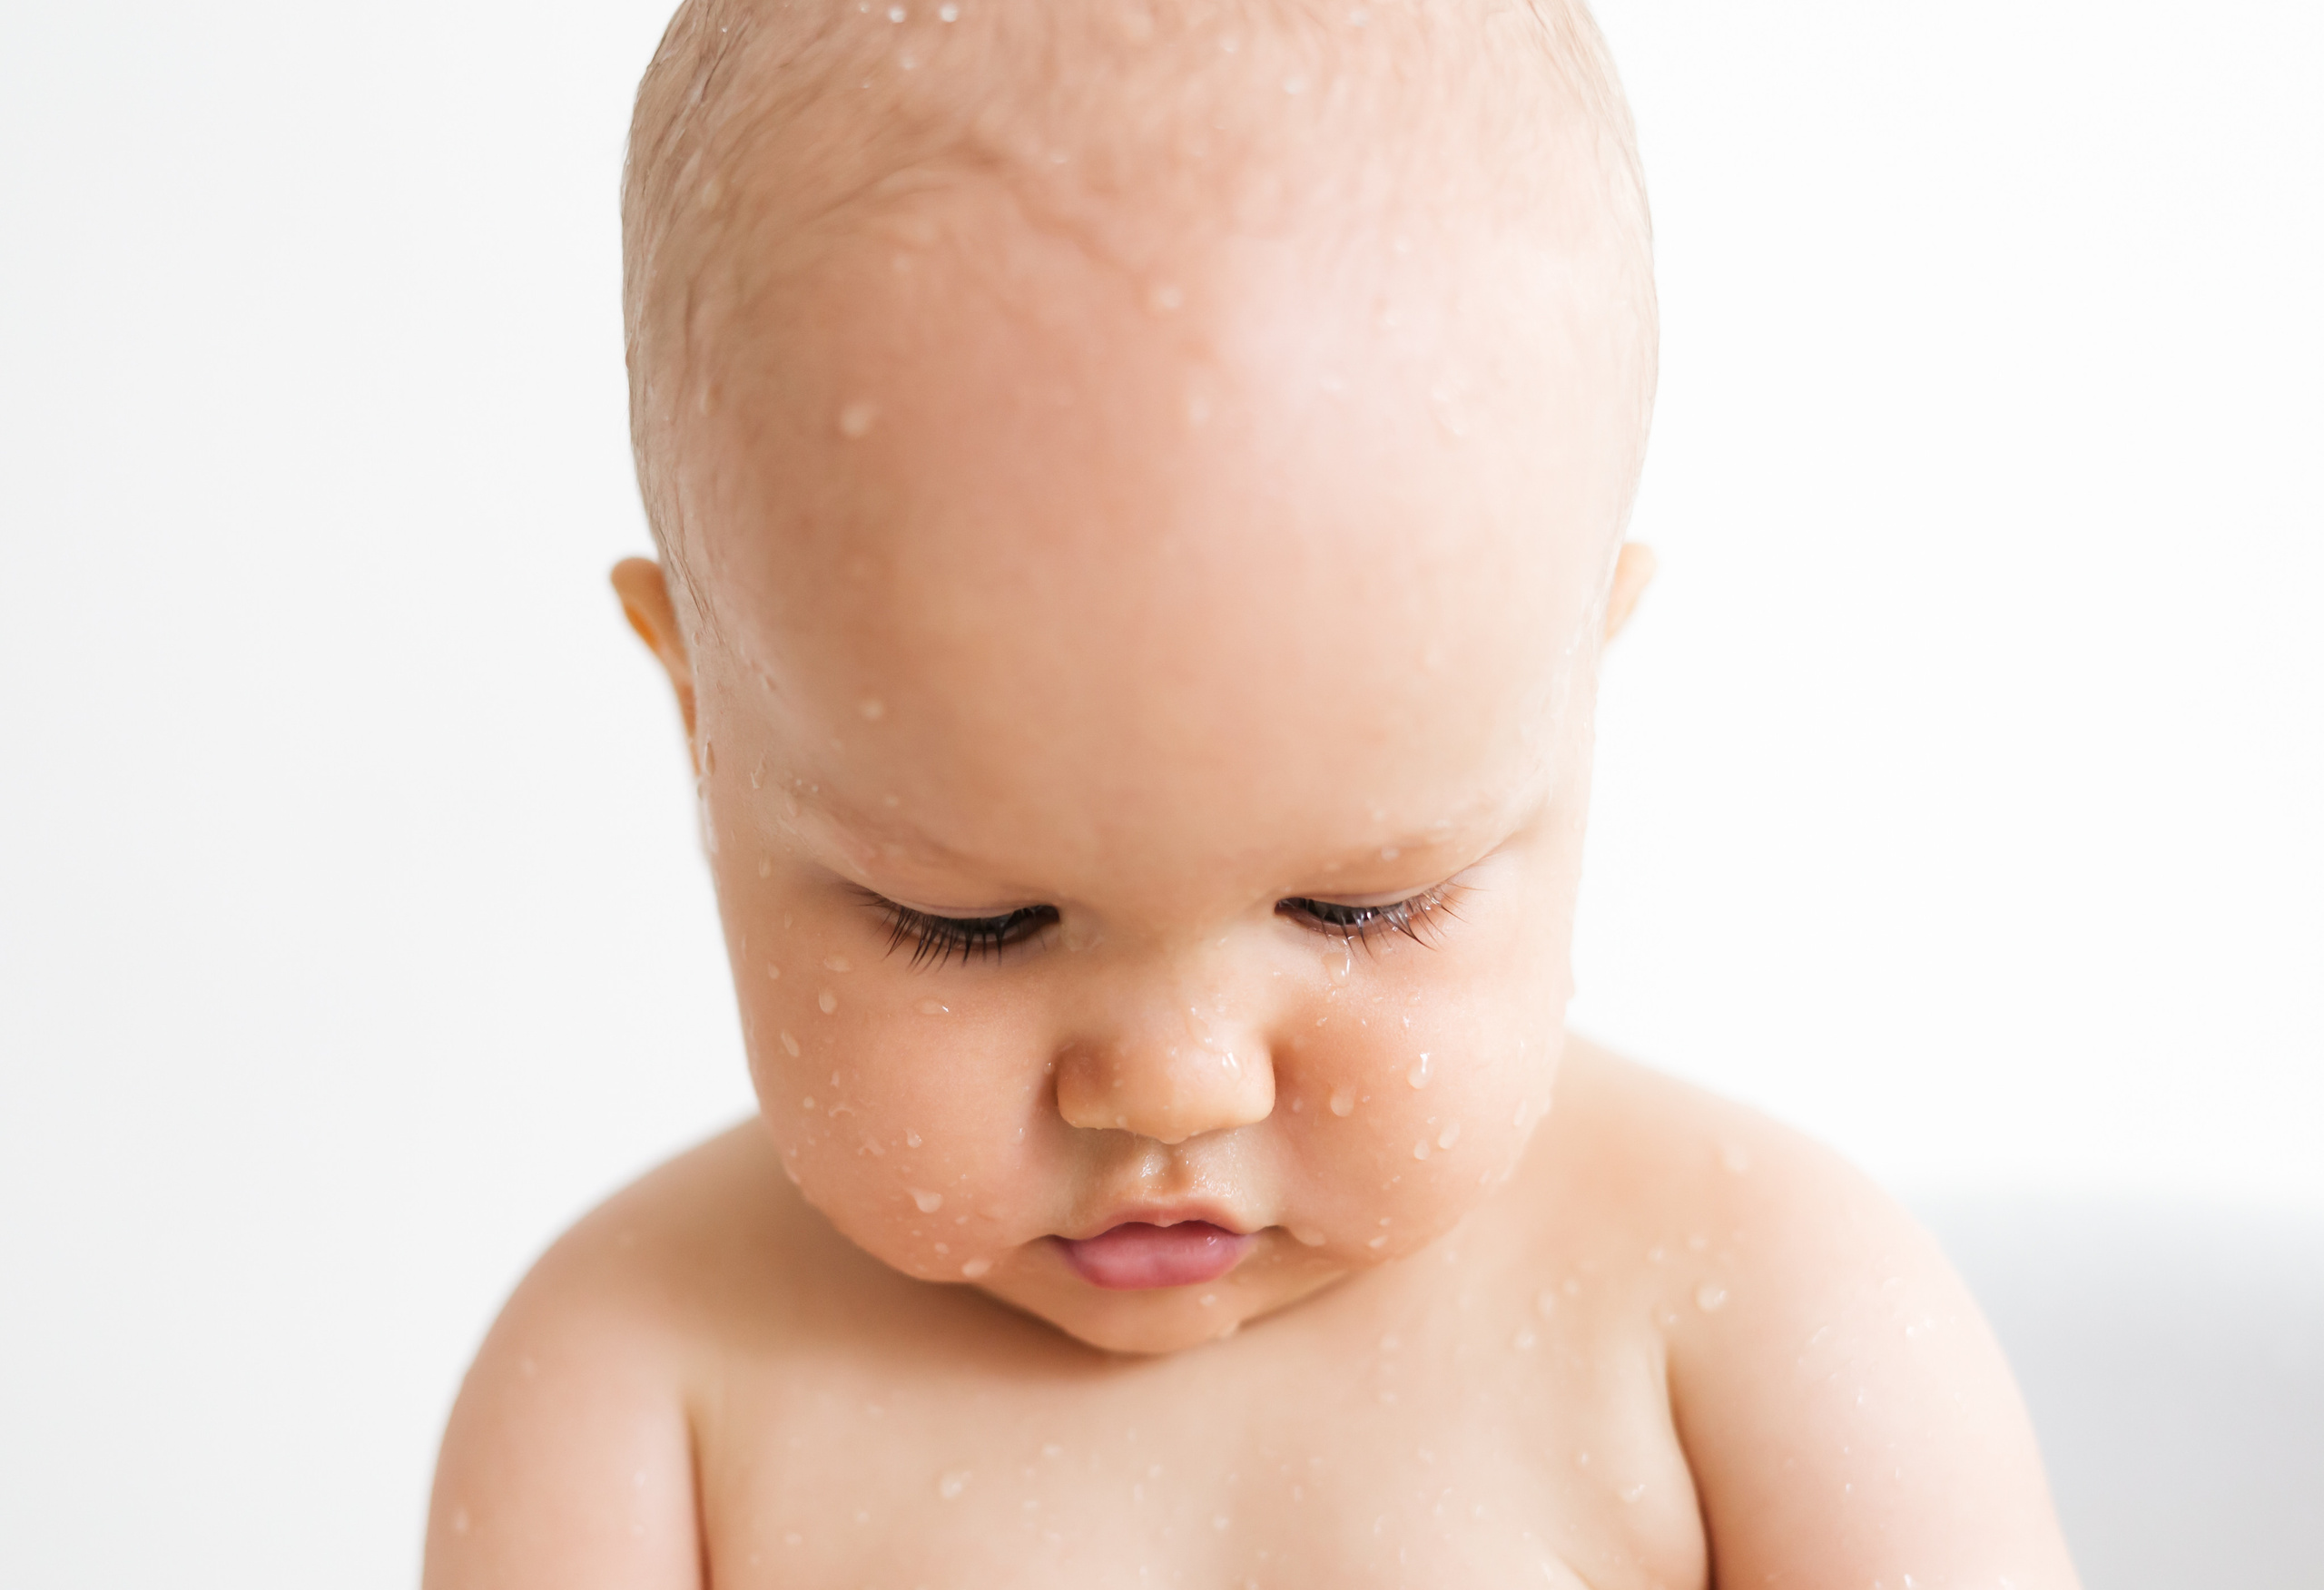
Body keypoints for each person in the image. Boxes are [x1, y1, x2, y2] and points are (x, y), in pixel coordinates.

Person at [426, 3, 2080, 1584]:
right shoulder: (633, 1399)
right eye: (973, 923)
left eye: (1363, 905)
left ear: (1576, 686)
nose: (1170, 1087)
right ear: (703, 721)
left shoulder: (1767, 1330)